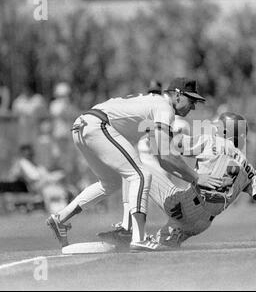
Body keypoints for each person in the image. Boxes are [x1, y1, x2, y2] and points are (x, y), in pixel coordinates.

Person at [46, 77, 222, 249]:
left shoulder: (155, 105)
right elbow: (168, 157)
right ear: (177, 95)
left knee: (111, 183)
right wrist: (197, 178)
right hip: (97, 125)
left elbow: (163, 159)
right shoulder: (164, 108)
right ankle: (138, 237)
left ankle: (61, 218)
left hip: (82, 126)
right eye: (191, 100)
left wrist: (192, 178)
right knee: (141, 175)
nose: (192, 107)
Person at [99, 112, 256, 250]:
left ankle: (127, 228)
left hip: (183, 204)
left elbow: (172, 147)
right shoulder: (249, 169)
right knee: (158, 249)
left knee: (133, 169)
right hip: (201, 224)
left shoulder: (212, 141)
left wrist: (158, 130)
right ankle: (168, 237)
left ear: (224, 131)